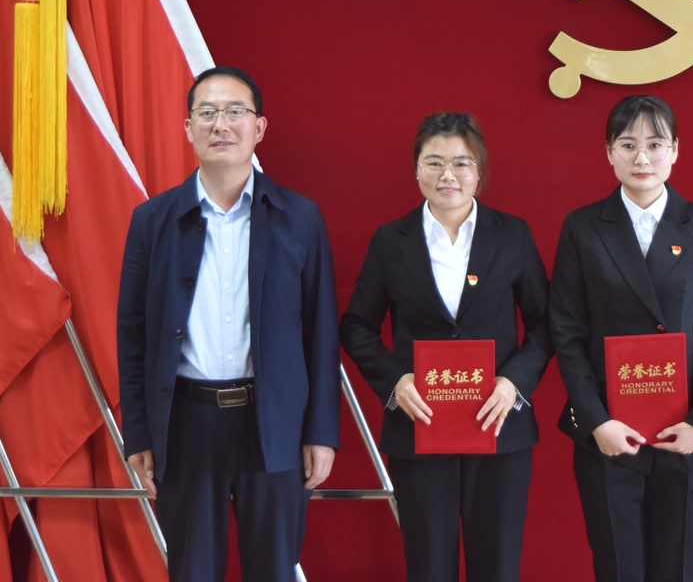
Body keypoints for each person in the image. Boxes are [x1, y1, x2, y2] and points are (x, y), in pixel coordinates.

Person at [117, 66, 340, 581]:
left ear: (258, 128)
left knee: (274, 569)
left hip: (273, 422)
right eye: (208, 113)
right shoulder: (152, 221)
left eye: (235, 112)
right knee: (192, 570)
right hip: (186, 424)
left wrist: (321, 432)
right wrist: (139, 434)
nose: (221, 124)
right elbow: (133, 336)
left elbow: (320, 333)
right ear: (188, 128)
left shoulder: (299, 218)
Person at [339, 111, 553, 582]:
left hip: (499, 425)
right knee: (429, 566)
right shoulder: (390, 241)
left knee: (496, 566)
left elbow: (546, 323)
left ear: (479, 171)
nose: (447, 175)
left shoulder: (512, 234)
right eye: (434, 162)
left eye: (461, 163)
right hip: (420, 426)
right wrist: (396, 382)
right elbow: (356, 326)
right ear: (417, 170)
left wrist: (513, 383)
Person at [549, 95, 693, 582]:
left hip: (684, 433)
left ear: (675, 150)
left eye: (655, 144)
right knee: (618, 568)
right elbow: (567, 332)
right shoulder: (582, 227)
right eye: (628, 144)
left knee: (679, 569)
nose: (642, 157)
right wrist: (596, 421)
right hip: (609, 434)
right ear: (609, 152)